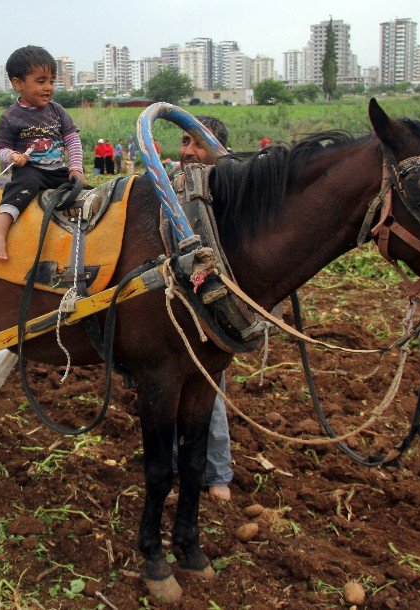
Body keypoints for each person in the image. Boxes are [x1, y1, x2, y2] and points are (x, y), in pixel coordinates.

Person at [175, 113, 233, 502]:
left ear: (218, 151)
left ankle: (217, 474)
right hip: (169, 308)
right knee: (166, 395)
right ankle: (181, 471)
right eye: (185, 142)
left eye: (200, 144)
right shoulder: (167, 184)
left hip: (210, 308)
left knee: (208, 394)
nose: (190, 152)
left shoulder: (228, 192)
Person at [0, 45, 85, 260]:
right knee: (25, 186)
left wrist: (76, 168)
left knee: (84, 191)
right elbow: (1, 151)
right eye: (41, 81)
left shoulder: (57, 110)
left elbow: (72, 140)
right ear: (18, 84)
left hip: (57, 169)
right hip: (31, 170)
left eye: (52, 80)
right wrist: (13, 157)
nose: (48, 87)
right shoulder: (10, 117)